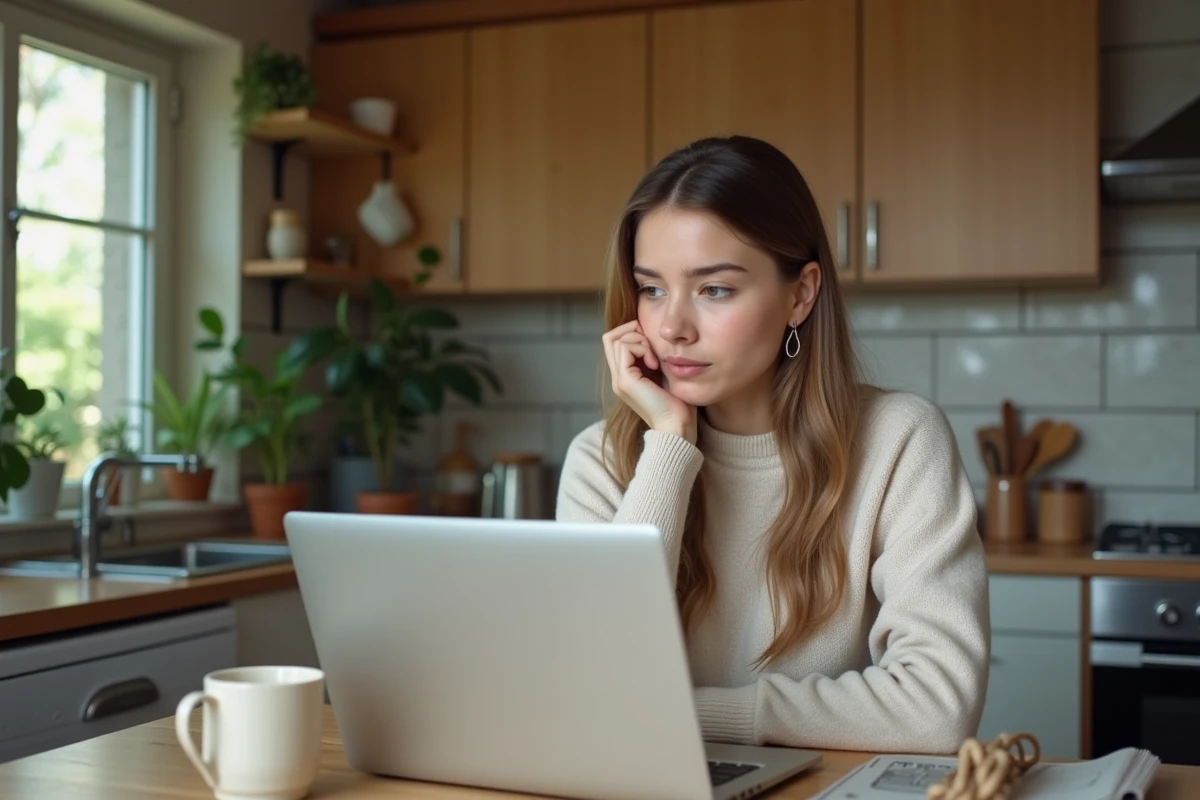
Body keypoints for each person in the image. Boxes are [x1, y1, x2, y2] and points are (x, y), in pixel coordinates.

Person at [555, 135, 989, 754]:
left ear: (801, 294)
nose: (672, 326)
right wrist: (671, 444)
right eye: (652, 289)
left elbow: (938, 706)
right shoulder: (603, 460)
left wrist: (687, 714)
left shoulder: (900, 442)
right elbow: (589, 683)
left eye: (714, 289)